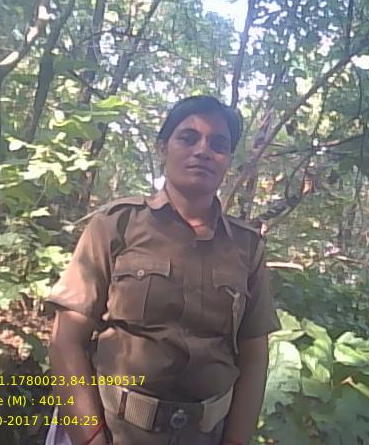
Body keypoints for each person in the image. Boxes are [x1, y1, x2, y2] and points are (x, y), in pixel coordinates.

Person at [44, 95, 281, 445]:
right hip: (114, 430)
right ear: (162, 148)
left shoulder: (247, 247)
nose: (203, 151)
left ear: (228, 160)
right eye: (188, 137)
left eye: (218, 145)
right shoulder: (117, 225)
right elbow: (66, 340)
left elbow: (254, 358)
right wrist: (91, 437)